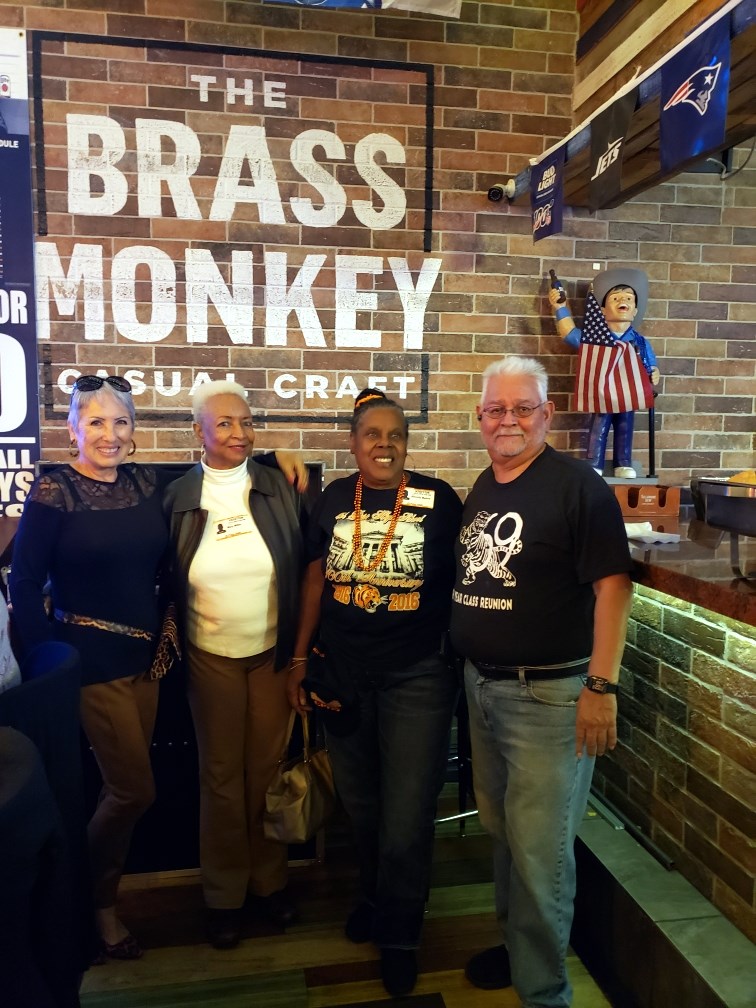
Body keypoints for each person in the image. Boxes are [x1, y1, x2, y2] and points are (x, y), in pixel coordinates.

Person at [450, 356, 634, 1008]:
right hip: (483, 689)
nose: (509, 420)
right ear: (480, 418)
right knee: (505, 835)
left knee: (540, 855)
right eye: (496, 409)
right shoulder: (487, 483)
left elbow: (615, 589)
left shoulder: (577, 486)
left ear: (546, 414)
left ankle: (545, 994)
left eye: (522, 408)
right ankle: (519, 952)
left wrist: (601, 689)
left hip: (548, 699)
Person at [288, 388, 462, 999]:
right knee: (361, 804)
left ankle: (401, 934)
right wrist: (300, 657)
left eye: (395, 435)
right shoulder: (335, 498)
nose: (384, 445)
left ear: (406, 444)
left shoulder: (441, 500)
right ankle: (374, 897)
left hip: (418, 675)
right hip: (343, 674)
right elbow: (315, 579)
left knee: (407, 812)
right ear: (353, 442)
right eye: (372, 434)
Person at [9, 374, 167, 962]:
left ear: (134, 429)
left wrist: (277, 461)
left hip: (146, 661)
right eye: (95, 421)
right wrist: (47, 664)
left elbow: (210, 478)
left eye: (120, 421)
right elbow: (25, 583)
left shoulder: (146, 482)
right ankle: (87, 904)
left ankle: (96, 900)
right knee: (133, 791)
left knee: (119, 792)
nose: (109, 434)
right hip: (89, 663)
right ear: (73, 429)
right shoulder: (56, 490)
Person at [163, 380, 306, 951]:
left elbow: (309, 562)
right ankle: (224, 896)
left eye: (247, 422)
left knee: (266, 773)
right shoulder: (177, 497)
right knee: (221, 778)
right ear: (198, 430)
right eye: (224, 423)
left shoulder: (278, 485)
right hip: (210, 657)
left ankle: (269, 883)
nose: (239, 433)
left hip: (272, 655)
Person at [549, 267, 659, 478]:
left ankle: (623, 462)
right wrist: (560, 307)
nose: (622, 301)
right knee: (599, 427)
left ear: (635, 311)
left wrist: (654, 372)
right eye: (615, 298)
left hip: (628, 394)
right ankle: (594, 461)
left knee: (625, 427)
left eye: (628, 298)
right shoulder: (596, 339)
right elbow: (570, 334)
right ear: (602, 310)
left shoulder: (640, 342)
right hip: (603, 393)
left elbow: (650, 364)